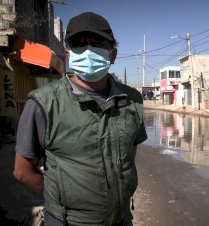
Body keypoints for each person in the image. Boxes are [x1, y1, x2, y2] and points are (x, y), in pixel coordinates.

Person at [13, 12, 147, 226]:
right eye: (78, 44)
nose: (87, 51)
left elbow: (127, 158)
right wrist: (59, 199)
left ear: (113, 54)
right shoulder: (44, 103)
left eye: (96, 43)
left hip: (121, 219)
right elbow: (22, 171)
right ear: (68, 53)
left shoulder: (132, 100)